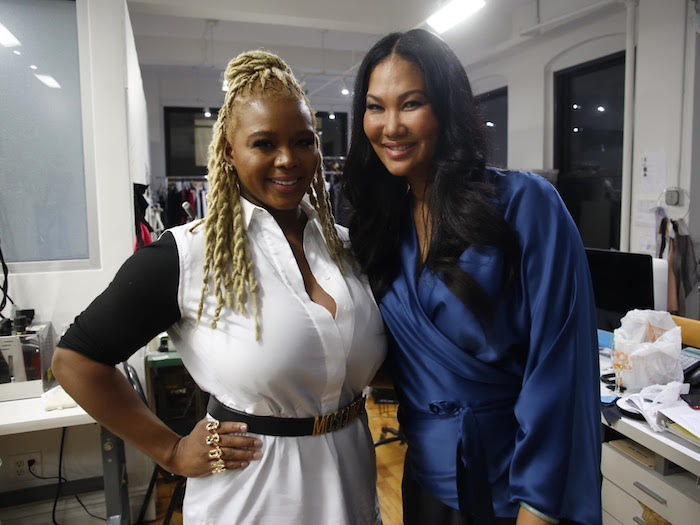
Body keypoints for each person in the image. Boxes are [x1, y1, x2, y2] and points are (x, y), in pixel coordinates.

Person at [53, 50, 386, 525]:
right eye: (264, 143)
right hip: (252, 500)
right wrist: (169, 450)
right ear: (229, 151)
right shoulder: (189, 255)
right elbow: (75, 361)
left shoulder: (348, 249)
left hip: (350, 488)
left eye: (303, 141)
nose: (288, 159)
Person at [343, 29, 601, 525]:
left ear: (446, 107)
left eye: (411, 103)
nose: (391, 126)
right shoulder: (380, 228)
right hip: (425, 481)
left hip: (513, 484)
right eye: (376, 108)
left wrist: (539, 506)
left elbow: (560, 369)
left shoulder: (525, 205)